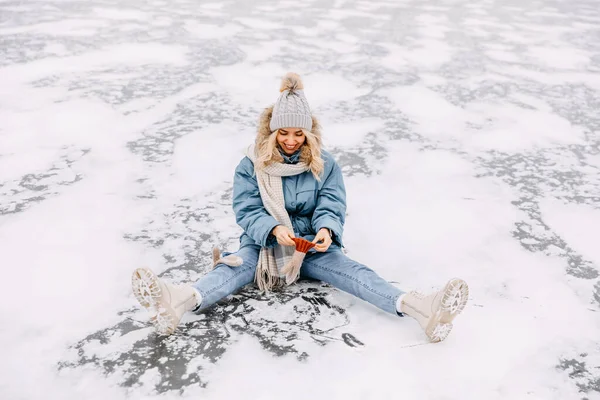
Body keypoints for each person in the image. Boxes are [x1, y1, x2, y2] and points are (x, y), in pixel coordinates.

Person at [131, 73, 469, 343]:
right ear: (272, 130)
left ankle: (422, 308)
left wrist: (325, 230)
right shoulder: (252, 164)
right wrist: (274, 230)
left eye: (298, 133)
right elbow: (246, 208)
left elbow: (332, 201)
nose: (291, 140)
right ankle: (177, 300)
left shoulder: (324, 163)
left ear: (309, 133)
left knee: (357, 274)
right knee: (232, 270)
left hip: (311, 245)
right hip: (265, 245)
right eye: (283, 132)